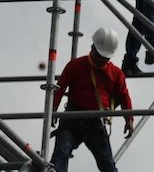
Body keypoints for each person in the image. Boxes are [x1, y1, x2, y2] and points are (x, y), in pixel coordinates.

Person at [50, 27, 134, 172]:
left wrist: (129, 120)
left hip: (96, 122)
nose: (102, 60)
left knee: (107, 165)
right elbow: (60, 88)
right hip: (72, 118)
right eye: (101, 56)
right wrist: (53, 111)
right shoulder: (75, 66)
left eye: (105, 58)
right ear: (92, 48)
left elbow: (124, 96)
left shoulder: (116, 74)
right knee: (61, 153)